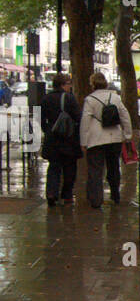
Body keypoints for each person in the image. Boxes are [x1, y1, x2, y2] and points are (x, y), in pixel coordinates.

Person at [79, 71, 133, 209]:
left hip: (96, 139)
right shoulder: (115, 97)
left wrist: (83, 142)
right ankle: (115, 195)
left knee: (96, 170)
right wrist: (127, 136)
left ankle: (96, 200)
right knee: (114, 167)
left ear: (92, 84)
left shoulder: (90, 100)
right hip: (114, 137)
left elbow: (85, 121)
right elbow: (125, 116)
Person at [41, 71, 82, 206]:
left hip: (52, 138)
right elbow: (78, 117)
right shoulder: (69, 98)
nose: (70, 86)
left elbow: (40, 119)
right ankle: (67, 195)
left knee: (54, 167)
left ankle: (51, 193)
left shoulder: (46, 98)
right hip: (68, 139)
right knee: (69, 167)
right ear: (63, 85)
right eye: (69, 84)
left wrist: (47, 130)